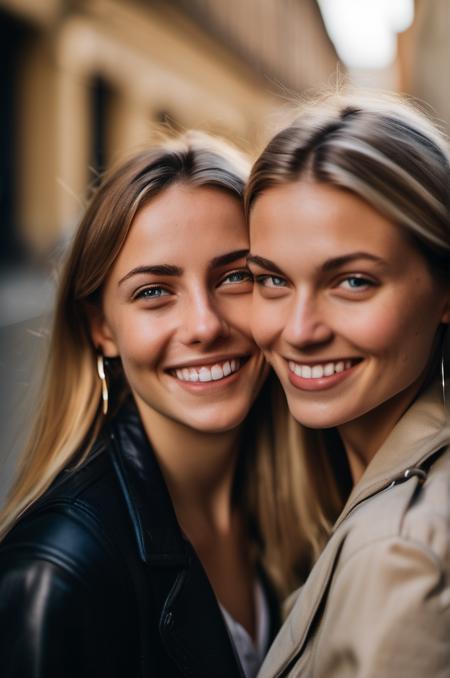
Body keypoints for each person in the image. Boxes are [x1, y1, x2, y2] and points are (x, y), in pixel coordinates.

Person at [0, 132, 339, 678]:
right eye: (154, 291)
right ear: (101, 328)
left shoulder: (309, 498)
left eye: (235, 277)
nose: (204, 325)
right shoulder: (56, 575)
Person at [245, 95, 450, 677]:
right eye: (271, 280)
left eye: (353, 281)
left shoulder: (404, 557)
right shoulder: (346, 477)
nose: (300, 330)